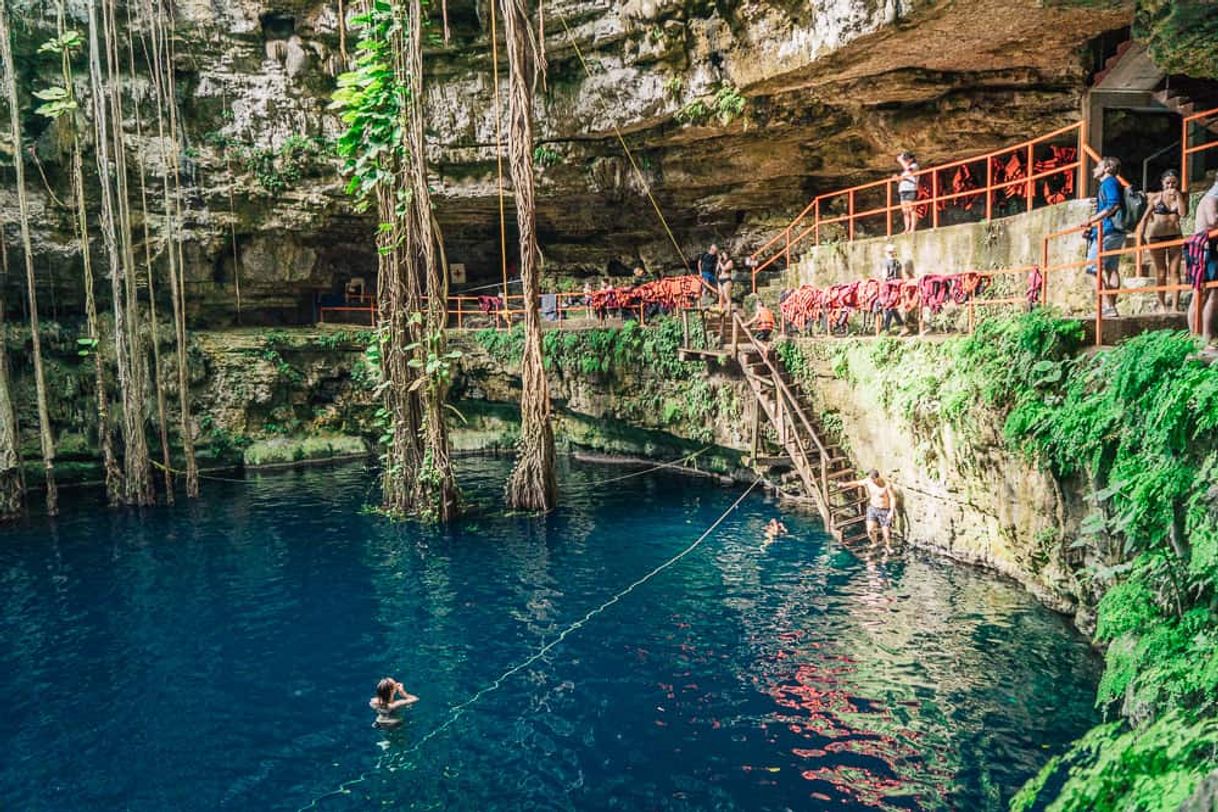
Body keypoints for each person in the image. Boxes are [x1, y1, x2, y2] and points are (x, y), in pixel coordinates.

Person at [1137, 169, 1188, 312]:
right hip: (1156, 237)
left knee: (1175, 271)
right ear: (1162, 183)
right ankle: (1161, 304)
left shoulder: (1182, 195)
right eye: (1167, 183)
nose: (1170, 185)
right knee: (1161, 272)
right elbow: (1145, 217)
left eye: (1173, 183)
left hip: (1175, 235)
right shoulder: (1155, 197)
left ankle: (1175, 306)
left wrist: (1177, 196)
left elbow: (1183, 214)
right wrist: (1140, 234)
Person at [1082, 156, 1126, 318]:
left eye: (1098, 166)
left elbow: (1113, 205)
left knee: (1092, 269)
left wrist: (1091, 220)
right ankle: (1111, 307)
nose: (1094, 169)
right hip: (1115, 231)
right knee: (1111, 269)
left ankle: (1108, 306)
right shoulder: (1113, 183)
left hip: (1107, 231)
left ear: (1107, 168)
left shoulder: (1109, 183)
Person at [1186, 179, 1218, 343]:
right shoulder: (1212, 198)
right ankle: (1203, 336)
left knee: (1206, 292)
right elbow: (1213, 221)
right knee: (1206, 292)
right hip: (1204, 249)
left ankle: (1202, 336)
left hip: (1205, 248)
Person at [844, 469, 893, 550]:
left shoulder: (886, 485)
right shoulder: (868, 481)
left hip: (884, 510)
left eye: (872, 478)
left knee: (886, 534)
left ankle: (888, 546)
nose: (870, 479)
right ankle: (874, 542)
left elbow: (892, 498)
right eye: (869, 478)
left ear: (876, 478)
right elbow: (857, 483)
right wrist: (845, 484)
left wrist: (891, 511)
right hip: (873, 508)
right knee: (870, 530)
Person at [879, 244, 904, 333]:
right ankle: (897, 325)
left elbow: (885, 276)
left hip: (888, 287)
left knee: (888, 306)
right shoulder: (898, 263)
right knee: (891, 306)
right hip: (896, 286)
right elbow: (901, 276)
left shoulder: (885, 263)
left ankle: (887, 328)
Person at [895, 152, 920, 234]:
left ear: (911, 159)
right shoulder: (904, 171)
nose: (905, 161)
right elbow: (901, 181)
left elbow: (910, 171)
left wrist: (901, 161)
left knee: (912, 209)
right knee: (905, 211)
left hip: (911, 189)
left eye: (906, 159)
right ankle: (906, 229)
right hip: (903, 190)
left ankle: (912, 229)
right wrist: (897, 179)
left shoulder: (914, 166)